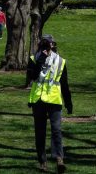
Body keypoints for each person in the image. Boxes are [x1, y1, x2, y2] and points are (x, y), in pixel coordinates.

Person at [27, 35, 72, 173]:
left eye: (49, 44)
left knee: (56, 130)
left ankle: (59, 159)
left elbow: (64, 84)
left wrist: (68, 103)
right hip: (38, 100)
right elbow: (32, 77)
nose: (47, 46)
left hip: (54, 100)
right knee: (40, 132)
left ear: (53, 45)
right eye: (44, 44)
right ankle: (42, 161)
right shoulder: (34, 58)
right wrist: (41, 59)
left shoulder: (60, 61)